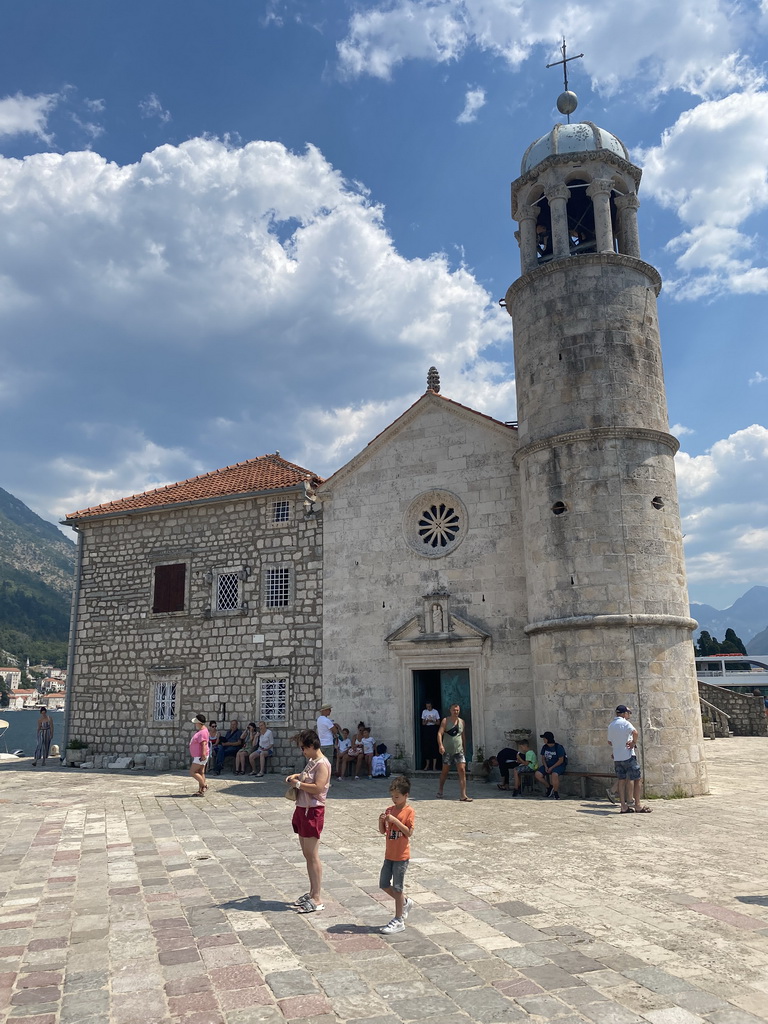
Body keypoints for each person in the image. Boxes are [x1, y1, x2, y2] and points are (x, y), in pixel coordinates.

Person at [286, 729, 331, 914]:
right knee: (307, 854)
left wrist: (297, 784)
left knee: (312, 855)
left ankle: (317, 897)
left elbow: (318, 787)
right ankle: (312, 891)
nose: (302, 751)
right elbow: (307, 778)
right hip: (302, 809)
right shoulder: (312, 762)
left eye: (304, 747)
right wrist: (296, 777)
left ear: (312, 746)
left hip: (313, 811)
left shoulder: (322, 764)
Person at [378, 775, 415, 934]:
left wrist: (396, 821)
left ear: (405, 796)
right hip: (389, 854)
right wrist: (381, 821)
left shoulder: (409, 811)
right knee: (384, 884)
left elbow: (408, 832)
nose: (394, 800)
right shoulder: (389, 810)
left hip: (401, 856)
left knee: (398, 888)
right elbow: (383, 831)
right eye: (392, 797)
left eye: (397, 797)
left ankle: (399, 919)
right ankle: (405, 902)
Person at [607, 705, 651, 814]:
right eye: (628, 712)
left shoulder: (611, 725)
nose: (629, 714)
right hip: (628, 755)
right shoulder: (625, 723)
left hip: (617, 757)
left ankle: (623, 806)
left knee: (621, 780)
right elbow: (635, 732)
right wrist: (633, 743)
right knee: (636, 779)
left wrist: (618, 746)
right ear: (623, 713)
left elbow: (610, 742)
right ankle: (637, 805)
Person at [436, 703, 472, 801]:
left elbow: (463, 735)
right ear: (450, 710)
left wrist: (464, 748)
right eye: (454, 710)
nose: (455, 712)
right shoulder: (445, 721)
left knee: (462, 770)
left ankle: (463, 795)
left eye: (457, 710)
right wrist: (440, 745)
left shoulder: (462, 722)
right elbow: (440, 733)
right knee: (445, 771)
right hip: (447, 750)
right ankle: (440, 789)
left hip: (459, 750)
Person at [535, 731, 567, 799]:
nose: (543, 740)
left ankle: (556, 792)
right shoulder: (544, 747)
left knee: (554, 774)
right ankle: (549, 787)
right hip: (548, 765)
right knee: (537, 774)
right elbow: (543, 758)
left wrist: (552, 768)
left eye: (544, 738)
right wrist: (546, 766)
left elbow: (561, 760)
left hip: (558, 765)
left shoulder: (558, 747)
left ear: (547, 739)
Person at [189, 714, 210, 796]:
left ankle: (204, 786)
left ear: (199, 723)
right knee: (201, 772)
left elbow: (204, 744)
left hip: (200, 756)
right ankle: (201, 791)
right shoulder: (203, 731)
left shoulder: (203, 732)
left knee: (192, 772)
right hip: (199, 755)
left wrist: (203, 754)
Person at [420, 701, 440, 770]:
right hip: (426, 729)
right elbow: (423, 723)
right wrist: (427, 721)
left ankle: (434, 766)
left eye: (429, 706)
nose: (428, 708)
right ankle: (427, 765)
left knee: (434, 746)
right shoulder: (424, 712)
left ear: (431, 706)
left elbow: (438, 722)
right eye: (427, 706)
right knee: (427, 747)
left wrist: (433, 721)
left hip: (433, 729)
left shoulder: (435, 712)